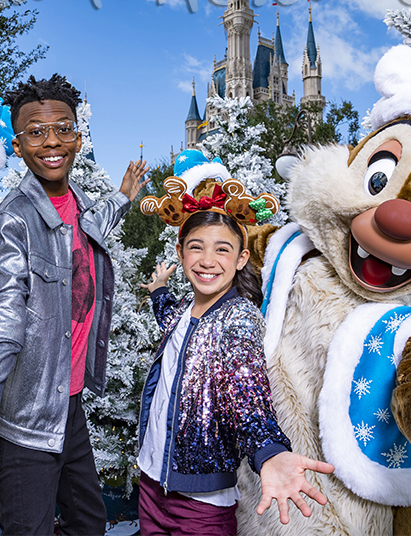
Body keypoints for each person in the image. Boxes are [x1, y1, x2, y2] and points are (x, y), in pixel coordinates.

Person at [0, 74, 149, 535]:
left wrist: (124, 198)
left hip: (70, 404)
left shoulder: (80, 204)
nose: (52, 141)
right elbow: (4, 310)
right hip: (28, 416)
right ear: (19, 146)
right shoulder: (16, 216)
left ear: (78, 138)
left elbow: (93, 224)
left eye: (63, 129)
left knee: (89, 521)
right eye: (36, 132)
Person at [137, 207, 334, 535]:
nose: (207, 260)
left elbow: (247, 390)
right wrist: (159, 289)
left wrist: (269, 451)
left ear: (241, 259)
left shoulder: (238, 319)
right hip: (149, 483)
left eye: (221, 249)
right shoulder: (184, 311)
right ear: (180, 252)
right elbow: (167, 315)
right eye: (196, 247)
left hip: (201, 504)